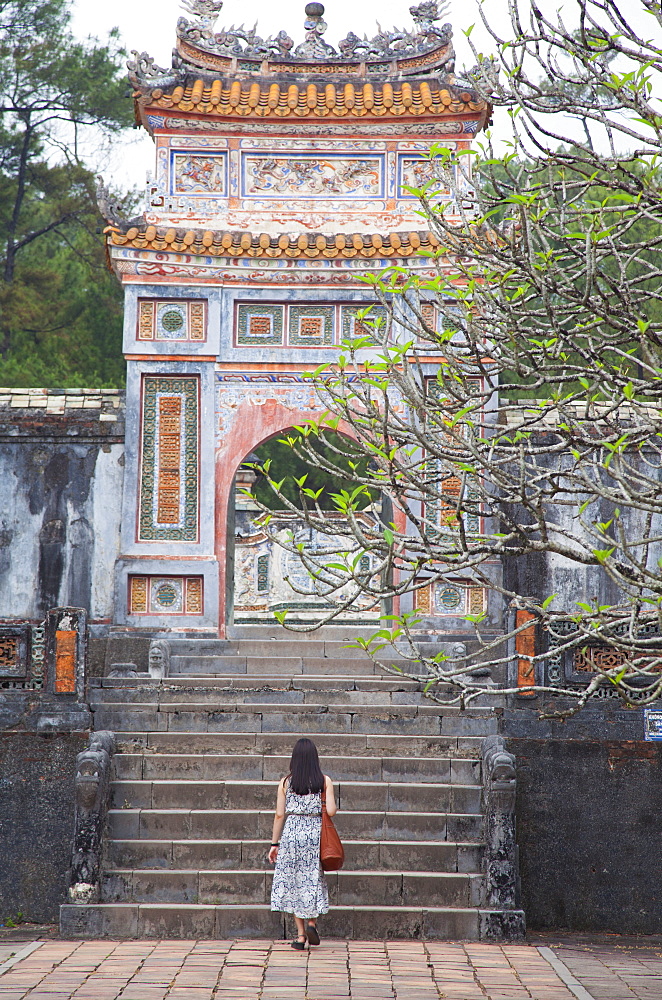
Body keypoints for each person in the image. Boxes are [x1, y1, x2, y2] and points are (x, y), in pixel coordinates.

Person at [268, 737, 337, 949]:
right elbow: (332, 811)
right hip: (315, 834)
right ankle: (312, 923)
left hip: (292, 833)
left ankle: (300, 936)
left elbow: (280, 815)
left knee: (294, 881)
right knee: (312, 879)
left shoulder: (286, 782)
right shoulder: (324, 781)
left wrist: (274, 844)